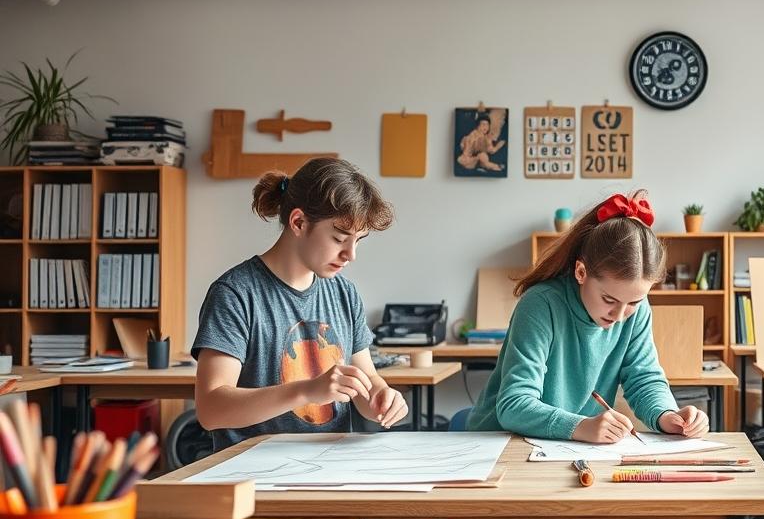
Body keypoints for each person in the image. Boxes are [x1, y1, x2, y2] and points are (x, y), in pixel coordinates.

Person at [193, 157, 407, 452]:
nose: (350, 254)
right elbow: (211, 409)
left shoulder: (344, 293)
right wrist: (307, 391)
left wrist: (381, 397)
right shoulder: (235, 294)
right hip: (251, 478)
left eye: (359, 241)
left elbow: (366, 380)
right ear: (298, 222)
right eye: (339, 238)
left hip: (328, 471)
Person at [467, 191, 709, 441]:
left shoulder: (636, 312)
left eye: (634, 302)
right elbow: (514, 405)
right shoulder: (541, 305)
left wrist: (667, 415)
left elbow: (644, 378)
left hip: (564, 443)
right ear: (581, 272)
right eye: (609, 300)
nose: (619, 315)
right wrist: (580, 426)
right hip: (497, 441)